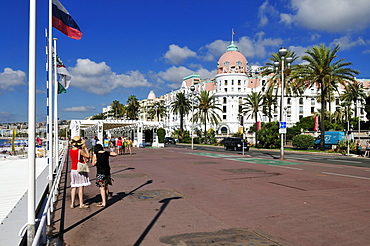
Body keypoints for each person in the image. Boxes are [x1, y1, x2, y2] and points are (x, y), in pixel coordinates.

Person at [69, 136, 91, 209]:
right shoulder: (79, 151)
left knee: (73, 187)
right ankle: (81, 204)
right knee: (80, 187)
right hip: (79, 170)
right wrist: (85, 148)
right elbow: (88, 156)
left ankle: (72, 203)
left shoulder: (71, 150)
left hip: (73, 169)